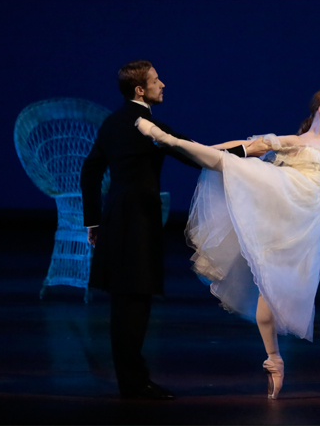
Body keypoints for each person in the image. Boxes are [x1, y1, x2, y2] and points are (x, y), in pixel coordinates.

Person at [135, 89, 320, 399]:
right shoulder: (296, 141)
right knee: (234, 163)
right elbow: (248, 147)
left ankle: (274, 359)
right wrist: (203, 149)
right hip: (283, 194)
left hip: (304, 220)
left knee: (273, 293)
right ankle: (171, 141)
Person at [80, 60, 267, 400]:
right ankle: (134, 384)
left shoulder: (112, 122)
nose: (162, 84)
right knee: (134, 304)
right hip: (136, 222)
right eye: (155, 80)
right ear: (140, 89)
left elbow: (91, 170)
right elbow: (196, 154)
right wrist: (247, 151)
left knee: (126, 304)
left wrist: (93, 221)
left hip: (116, 219)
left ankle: (132, 380)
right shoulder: (144, 125)